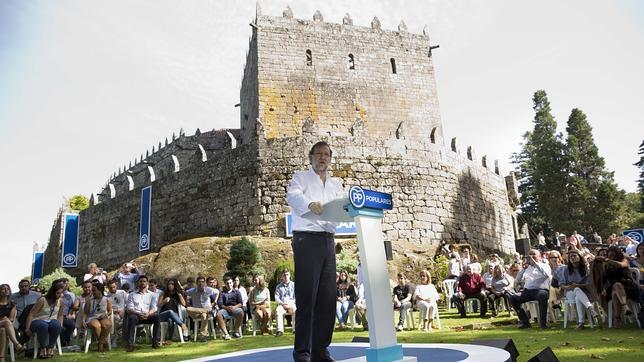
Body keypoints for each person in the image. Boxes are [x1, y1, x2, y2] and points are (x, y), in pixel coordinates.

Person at [286, 140, 343, 362]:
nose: (322, 157)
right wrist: (310, 204)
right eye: (318, 154)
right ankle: (302, 352)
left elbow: (343, 205)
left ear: (330, 159)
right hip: (306, 239)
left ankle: (321, 350)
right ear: (310, 157)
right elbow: (293, 196)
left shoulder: (336, 184)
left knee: (328, 300)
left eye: (326, 154)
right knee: (307, 298)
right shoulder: (301, 178)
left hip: (328, 240)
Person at [509, 249, 552, 329]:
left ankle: (543, 324)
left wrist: (535, 264)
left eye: (533, 254)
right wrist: (523, 269)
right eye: (529, 255)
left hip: (540, 290)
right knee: (513, 298)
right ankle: (525, 322)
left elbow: (546, 275)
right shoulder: (527, 268)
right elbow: (518, 280)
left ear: (539, 257)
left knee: (542, 296)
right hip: (527, 291)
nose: (531, 257)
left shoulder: (545, 265)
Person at [600, 246, 639, 327]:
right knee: (615, 287)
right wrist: (603, 288)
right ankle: (625, 307)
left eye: (613, 254)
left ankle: (617, 318)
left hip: (627, 286)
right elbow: (604, 278)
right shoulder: (606, 265)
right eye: (609, 254)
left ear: (617, 254)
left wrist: (608, 260)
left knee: (615, 291)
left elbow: (621, 265)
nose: (610, 256)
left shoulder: (624, 260)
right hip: (612, 287)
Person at [25, 282, 64, 359]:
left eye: (61, 293)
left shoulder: (61, 301)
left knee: (56, 325)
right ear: (52, 293)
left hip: (52, 321)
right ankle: (43, 348)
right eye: (58, 293)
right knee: (43, 325)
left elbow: (60, 315)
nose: (60, 295)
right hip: (37, 320)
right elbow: (31, 314)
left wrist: (61, 325)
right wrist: (27, 328)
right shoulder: (42, 300)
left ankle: (50, 348)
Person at [560, 249, 597, 329]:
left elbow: (589, 284)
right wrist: (569, 287)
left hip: (584, 292)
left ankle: (581, 323)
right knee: (576, 290)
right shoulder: (566, 269)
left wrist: (578, 285)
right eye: (570, 257)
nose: (572, 258)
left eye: (574, 256)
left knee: (578, 296)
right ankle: (590, 308)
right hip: (570, 293)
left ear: (580, 257)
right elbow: (562, 285)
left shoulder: (586, 269)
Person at [125, 275, 160, 352]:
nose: (142, 283)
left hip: (148, 315)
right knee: (132, 318)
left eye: (144, 281)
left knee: (157, 317)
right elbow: (129, 309)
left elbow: (154, 308)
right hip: (137, 316)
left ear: (147, 283)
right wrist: (139, 314)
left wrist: (148, 314)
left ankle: (155, 342)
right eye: (140, 281)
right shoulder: (132, 294)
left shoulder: (152, 295)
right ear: (138, 283)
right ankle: (130, 345)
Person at [185, 276, 217, 342]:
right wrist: (187, 300)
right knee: (188, 308)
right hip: (197, 312)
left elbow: (217, 292)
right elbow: (184, 292)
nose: (201, 283)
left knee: (204, 315)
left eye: (202, 282)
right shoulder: (192, 290)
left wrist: (215, 302)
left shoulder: (208, 289)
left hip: (206, 313)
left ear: (204, 283)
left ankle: (203, 336)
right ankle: (205, 310)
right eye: (199, 282)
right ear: (196, 283)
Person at [83, 281, 113, 352]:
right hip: (92, 318)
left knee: (108, 324)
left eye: (94, 290)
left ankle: (100, 343)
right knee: (96, 326)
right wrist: (83, 320)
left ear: (100, 290)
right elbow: (85, 313)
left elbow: (110, 311)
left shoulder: (106, 299)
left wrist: (105, 315)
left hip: (103, 317)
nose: (92, 292)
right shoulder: (90, 300)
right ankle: (103, 343)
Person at [157, 278, 188, 343]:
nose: (170, 285)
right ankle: (182, 325)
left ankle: (169, 339)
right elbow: (158, 305)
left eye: (172, 284)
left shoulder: (177, 294)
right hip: (163, 315)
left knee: (170, 320)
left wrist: (179, 295)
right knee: (170, 312)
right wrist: (164, 301)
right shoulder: (163, 293)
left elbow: (184, 304)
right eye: (169, 284)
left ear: (175, 285)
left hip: (174, 316)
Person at [0, 284, 25, 354]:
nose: (6, 290)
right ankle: (17, 344)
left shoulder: (12, 304)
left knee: (3, 329)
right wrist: (3, 319)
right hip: (4, 323)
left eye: (7, 289)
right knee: (6, 322)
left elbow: (11, 319)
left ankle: (2, 358)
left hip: (5, 325)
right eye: (3, 289)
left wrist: (5, 320)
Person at [274, 270, 296, 337]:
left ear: (289, 276)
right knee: (278, 311)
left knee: (295, 310)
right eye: (284, 275)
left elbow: (297, 296)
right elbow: (276, 297)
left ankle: (295, 329)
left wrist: (290, 304)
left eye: (287, 274)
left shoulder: (294, 285)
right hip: (282, 304)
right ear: (282, 276)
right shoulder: (278, 286)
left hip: (291, 303)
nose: (286, 276)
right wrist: (282, 304)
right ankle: (280, 331)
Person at [105, 280, 127, 347]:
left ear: (116, 286)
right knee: (114, 318)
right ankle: (115, 339)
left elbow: (128, 303)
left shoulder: (122, 292)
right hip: (113, 314)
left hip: (124, 313)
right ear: (108, 288)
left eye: (114, 287)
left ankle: (122, 339)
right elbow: (107, 309)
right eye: (111, 288)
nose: (113, 289)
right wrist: (114, 312)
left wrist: (124, 311)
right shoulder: (106, 297)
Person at [59, 278, 77, 346]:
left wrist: (70, 313)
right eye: (64, 284)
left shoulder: (69, 296)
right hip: (57, 316)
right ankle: (64, 340)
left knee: (71, 325)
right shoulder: (56, 294)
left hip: (66, 316)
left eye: (67, 284)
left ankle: (64, 339)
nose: (66, 285)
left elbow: (71, 307)